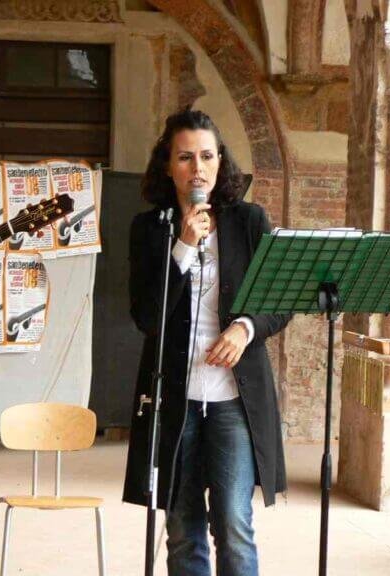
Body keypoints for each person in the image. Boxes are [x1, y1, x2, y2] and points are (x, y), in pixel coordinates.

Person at [122, 108, 291, 576]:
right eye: (185, 157)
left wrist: (245, 328)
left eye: (207, 156)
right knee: (182, 528)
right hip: (174, 396)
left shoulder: (249, 221)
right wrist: (182, 246)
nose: (198, 168)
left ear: (221, 162)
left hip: (232, 399)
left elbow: (281, 302)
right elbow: (145, 315)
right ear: (167, 166)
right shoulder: (149, 228)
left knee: (234, 523)